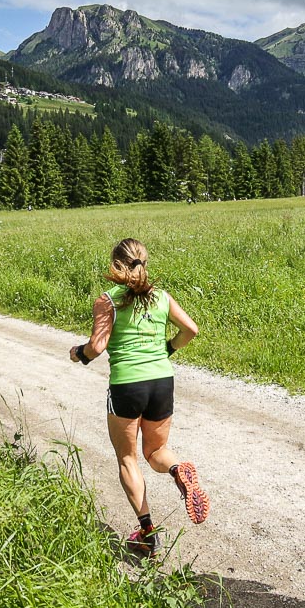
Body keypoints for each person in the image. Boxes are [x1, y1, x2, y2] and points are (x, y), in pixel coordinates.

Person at [68, 237, 209, 557]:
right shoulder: (161, 297)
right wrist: (167, 349)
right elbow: (191, 330)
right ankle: (178, 470)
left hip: (127, 387)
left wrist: (79, 353)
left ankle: (148, 534)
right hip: (162, 381)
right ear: (145, 262)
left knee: (128, 459)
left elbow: (97, 346)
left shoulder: (107, 301)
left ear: (117, 264)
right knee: (157, 450)